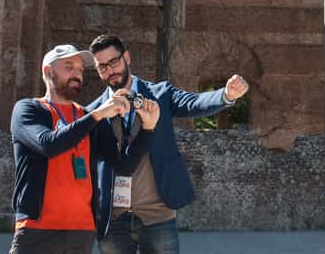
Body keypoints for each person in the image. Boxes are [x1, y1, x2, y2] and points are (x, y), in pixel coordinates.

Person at [88, 34, 249, 254]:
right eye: (102, 67)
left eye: (114, 62)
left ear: (126, 57)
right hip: (113, 219)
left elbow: (193, 103)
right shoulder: (94, 111)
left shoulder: (160, 94)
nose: (110, 70)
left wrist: (226, 95)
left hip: (158, 215)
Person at [9, 43, 160, 254]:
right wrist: (99, 114)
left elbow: (124, 166)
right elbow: (48, 144)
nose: (77, 74)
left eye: (80, 70)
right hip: (37, 229)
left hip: (81, 231)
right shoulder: (29, 109)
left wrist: (148, 128)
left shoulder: (88, 117)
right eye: (69, 67)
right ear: (48, 71)